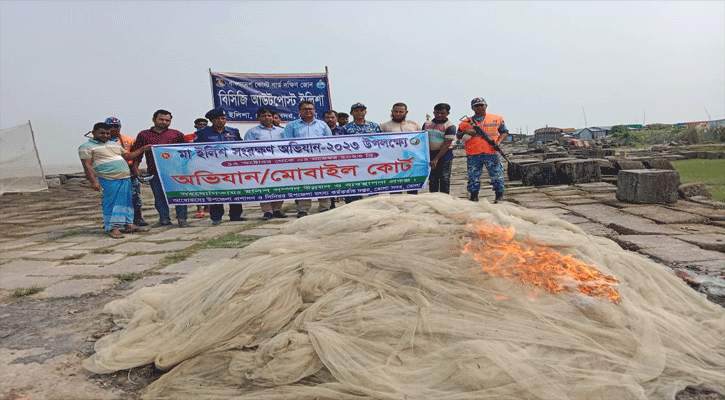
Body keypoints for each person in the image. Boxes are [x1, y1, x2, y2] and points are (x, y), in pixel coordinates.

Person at [79, 122, 151, 239]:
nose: (105, 135)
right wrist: (93, 182)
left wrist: (142, 149)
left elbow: (128, 156)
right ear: (93, 132)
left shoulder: (114, 144)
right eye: (102, 133)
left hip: (125, 178)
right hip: (108, 179)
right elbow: (87, 165)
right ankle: (112, 227)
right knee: (112, 203)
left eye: (107, 133)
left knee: (127, 202)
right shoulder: (86, 147)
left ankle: (129, 225)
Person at [130, 109, 190, 227]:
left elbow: (187, 151)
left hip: (175, 172)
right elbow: (137, 153)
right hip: (154, 171)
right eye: (161, 119)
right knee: (159, 197)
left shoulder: (176, 134)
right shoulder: (144, 134)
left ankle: (182, 220)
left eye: (167, 120)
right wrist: (135, 168)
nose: (164, 122)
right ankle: (164, 220)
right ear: (154, 119)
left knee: (179, 196)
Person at [282, 101, 333, 217]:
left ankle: (324, 207)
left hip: (320, 161)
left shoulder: (322, 125)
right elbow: (286, 143)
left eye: (310, 108)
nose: (308, 111)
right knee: (303, 184)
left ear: (315, 111)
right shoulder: (292, 126)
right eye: (305, 109)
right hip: (301, 162)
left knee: (323, 183)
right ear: (299, 111)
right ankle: (303, 209)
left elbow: (330, 142)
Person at [195, 107, 245, 225]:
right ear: (212, 120)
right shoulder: (203, 133)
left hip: (231, 167)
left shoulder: (233, 132)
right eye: (218, 119)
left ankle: (236, 215)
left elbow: (242, 147)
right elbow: (196, 150)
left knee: (234, 191)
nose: (222, 121)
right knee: (216, 192)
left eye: (223, 118)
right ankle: (216, 217)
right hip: (212, 168)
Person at [457, 97, 509, 203]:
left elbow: (504, 131)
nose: (479, 107)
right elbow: (458, 136)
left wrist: (498, 142)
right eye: (477, 106)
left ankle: (499, 196)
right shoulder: (465, 122)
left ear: (486, 105)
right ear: (472, 108)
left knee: (497, 175)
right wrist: (465, 131)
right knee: (473, 176)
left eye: (482, 105)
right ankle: (474, 196)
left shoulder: (496, 118)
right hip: (473, 153)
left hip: (492, 152)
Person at [245, 108, 286, 220]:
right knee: (264, 187)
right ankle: (267, 211)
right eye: (264, 116)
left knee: (280, 186)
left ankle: (277, 209)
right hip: (261, 165)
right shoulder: (252, 132)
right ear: (258, 118)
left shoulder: (281, 131)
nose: (267, 118)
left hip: (279, 164)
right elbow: (248, 149)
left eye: (269, 115)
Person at [105, 117, 147, 226]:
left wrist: (135, 167)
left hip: (129, 171)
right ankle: (111, 221)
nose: (114, 129)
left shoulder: (129, 140)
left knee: (134, 195)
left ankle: (137, 218)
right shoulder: (102, 141)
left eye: (116, 126)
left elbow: (137, 155)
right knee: (112, 197)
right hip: (111, 173)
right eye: (110, 127)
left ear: (120, 127)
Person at [340, 103, 381, 203]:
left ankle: (374, 204)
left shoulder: (374, 126)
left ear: (365, 112)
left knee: (373, 187)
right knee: (353, 187)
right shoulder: (345, 128)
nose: (359, 113)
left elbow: (381, 142)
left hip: (371, 161)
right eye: (356, 111)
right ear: (351, 113)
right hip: (353, 162)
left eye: (361, 110)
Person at [422, 103, 456, 194]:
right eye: (437, 113)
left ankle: (444, 198)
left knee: (444, 177)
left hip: (445, 154)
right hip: (430, 153)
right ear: (433, 112)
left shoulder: (450, 126)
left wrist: (436, 159)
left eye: (442, 113)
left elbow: (446, 144)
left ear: (447, 113)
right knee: (433, 178)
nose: (439, 115)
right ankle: (434, 197)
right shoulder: (426, 124)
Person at [187, 118, 210, 218]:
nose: (202, 126)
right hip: (193, 165)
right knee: (196, 187)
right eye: (200, 124)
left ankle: (208, 206)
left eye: (204, 124)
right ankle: (199, 208)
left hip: (208, 165)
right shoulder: (188, 137)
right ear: (195, 126)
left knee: (208, 186)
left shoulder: (210, 136)